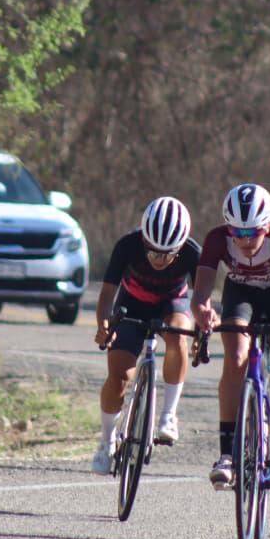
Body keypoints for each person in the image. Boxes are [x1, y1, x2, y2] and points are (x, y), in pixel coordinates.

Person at [191, 183, 270, 486]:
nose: (245, 241)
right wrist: (204, 312)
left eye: (253, 233)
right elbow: (199, 296)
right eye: (238, 233)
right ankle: (227, 455)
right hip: (240, 294)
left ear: (267, 226)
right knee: (234, 358)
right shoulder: (217, 239)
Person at [91, 197, 200, 474]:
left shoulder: (192, 252)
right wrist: (104, 325)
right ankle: (106, 442)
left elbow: (201, 302)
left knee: (178, 335)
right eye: (153, 253)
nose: (159, 260)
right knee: (119, 378)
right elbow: (106, 296)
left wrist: (201, 332)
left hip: (172, 303)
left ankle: (168, 416)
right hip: (132, 304)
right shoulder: (127, 245)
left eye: (167, 254)